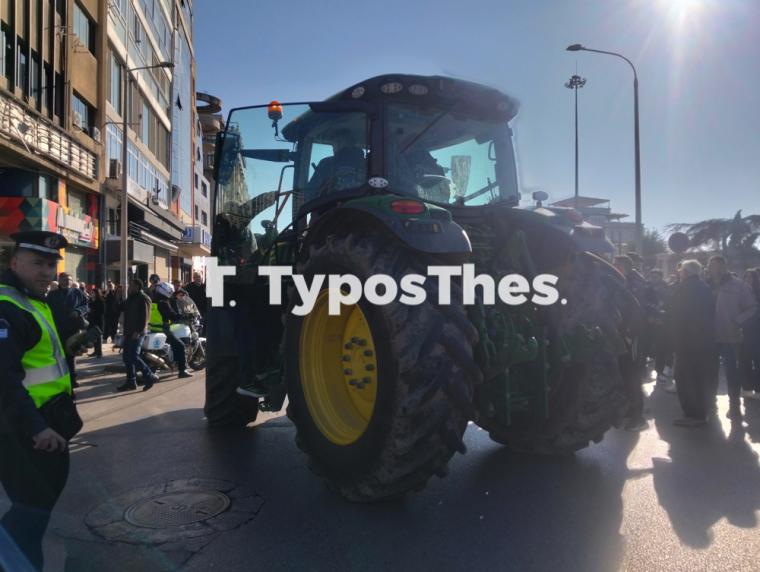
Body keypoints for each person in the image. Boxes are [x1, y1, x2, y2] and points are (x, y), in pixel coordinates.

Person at [0, 231, 80, 570]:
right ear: (14, 263)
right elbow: (3, 380)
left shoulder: (33, 300)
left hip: (44, 426)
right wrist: (37, 428)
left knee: (34, 513)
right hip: (25, 434)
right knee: (28, 518)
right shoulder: (7, 306)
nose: (47, 272)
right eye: (38, 263)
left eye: (51, 264)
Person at [708, 255, 758, 420]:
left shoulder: (739, 286)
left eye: (717, 266)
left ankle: (734, 406)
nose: (714, 269)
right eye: (711, 266)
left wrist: (737, 321)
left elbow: (752, 307)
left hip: (730, 337)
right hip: (708, 337)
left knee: (732, 373)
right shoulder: (704, 285)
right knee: (709, 371)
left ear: (724, 267)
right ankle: (710, 402)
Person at [667, 260, 715, 426]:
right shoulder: (704, 287)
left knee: (684, 378)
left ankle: (693, 415)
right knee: (698, 378)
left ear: (686, 272)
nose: (679, 273)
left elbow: (678, 315)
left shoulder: (685, 288)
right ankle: (701, 413)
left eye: (681, 271)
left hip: (687, 341)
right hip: (702, 340)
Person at [613, 255, 649, 431]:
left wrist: (629, 333)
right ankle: (629, 410)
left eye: (616, 264)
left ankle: (638, 417)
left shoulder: (635, 284)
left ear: (624, 266)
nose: (613, 267)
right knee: (625, 373)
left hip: (632, 335)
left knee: (632, 374)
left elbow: (636, 310)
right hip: (623, 334)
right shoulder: (624, 281)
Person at [46, 272, 89, 389]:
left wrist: (78, 311)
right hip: (57, 330)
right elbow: (46, 310)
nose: (67, 282)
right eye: (64, 279)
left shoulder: (77, 292)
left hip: (73, 330)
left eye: (69, 279)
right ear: (59, 281)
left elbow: (86, 306)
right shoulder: (52, 295)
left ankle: (72, 379)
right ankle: (61, 379)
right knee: (59, 356)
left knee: (71, 355)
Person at [116, 279, 159, 392]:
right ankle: (131, 381)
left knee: (134, 356)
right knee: (126, 357)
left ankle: (149, 376)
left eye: (131, 285)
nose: (129, 287)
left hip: (137, 332)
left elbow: (145, 317)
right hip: (128, 331)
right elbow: (119, 307)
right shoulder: (131, 298)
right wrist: (118, 296)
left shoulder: (143, 298)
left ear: (137, 287)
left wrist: (138, 331)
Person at [155, 282, 193, 378]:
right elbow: (172, 315)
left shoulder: (153, 300)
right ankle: (182, 370)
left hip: (152, 328)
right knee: (180, 345)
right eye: (170, 292)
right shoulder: (163, 302)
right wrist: (184, 316)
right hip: (163, 329)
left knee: (174, 344)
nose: (171, 294)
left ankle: (172, 361)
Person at [739, 268, 760, 399]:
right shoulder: (740, 294)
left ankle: (758, 388)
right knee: (744, 360)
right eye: (746, 277)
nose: (748, 279)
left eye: (751, 277)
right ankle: (747, 387)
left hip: (756, 331)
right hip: (744, 331)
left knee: (757, 360)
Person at [86, 288, 105, 358]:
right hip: (92, 321)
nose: (91, 294)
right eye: (91, 293)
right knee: (94, 336)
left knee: (98, 336)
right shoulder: (90, 300)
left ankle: (99, 352)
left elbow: (102, 311)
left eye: (93, 293)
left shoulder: (100, 301)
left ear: (96, 294)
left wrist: (93, 310)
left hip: (98, 320)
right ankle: (95, 351)